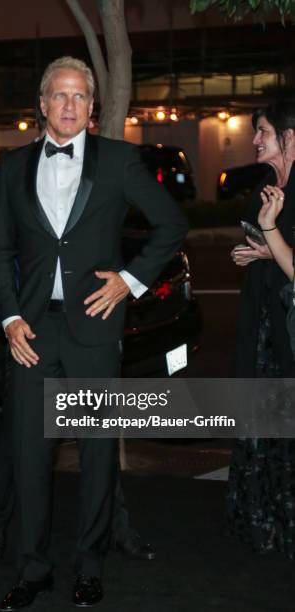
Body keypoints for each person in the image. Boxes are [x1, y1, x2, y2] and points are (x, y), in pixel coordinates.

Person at [0, 56, 188, 610]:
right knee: (30, 455)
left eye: (80, 97)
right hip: (29, 332)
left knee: (97, 454)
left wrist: (130, 280)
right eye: (60, 95)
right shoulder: (11, 167)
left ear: (92, 106)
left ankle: (90, 567)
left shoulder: (121, 161)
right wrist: (8, 318)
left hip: (95, 329)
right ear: (43, 105)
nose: (70, 105)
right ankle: (32, 570)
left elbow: (172, 225)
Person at [229, 100, 295, 558]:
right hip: (264, 322)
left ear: (289, 136)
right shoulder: (267, 187)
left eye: (263, 132)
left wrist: (270, 247)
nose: (254, 140)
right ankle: (264, 523)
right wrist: (253, 251)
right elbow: (265, 240)